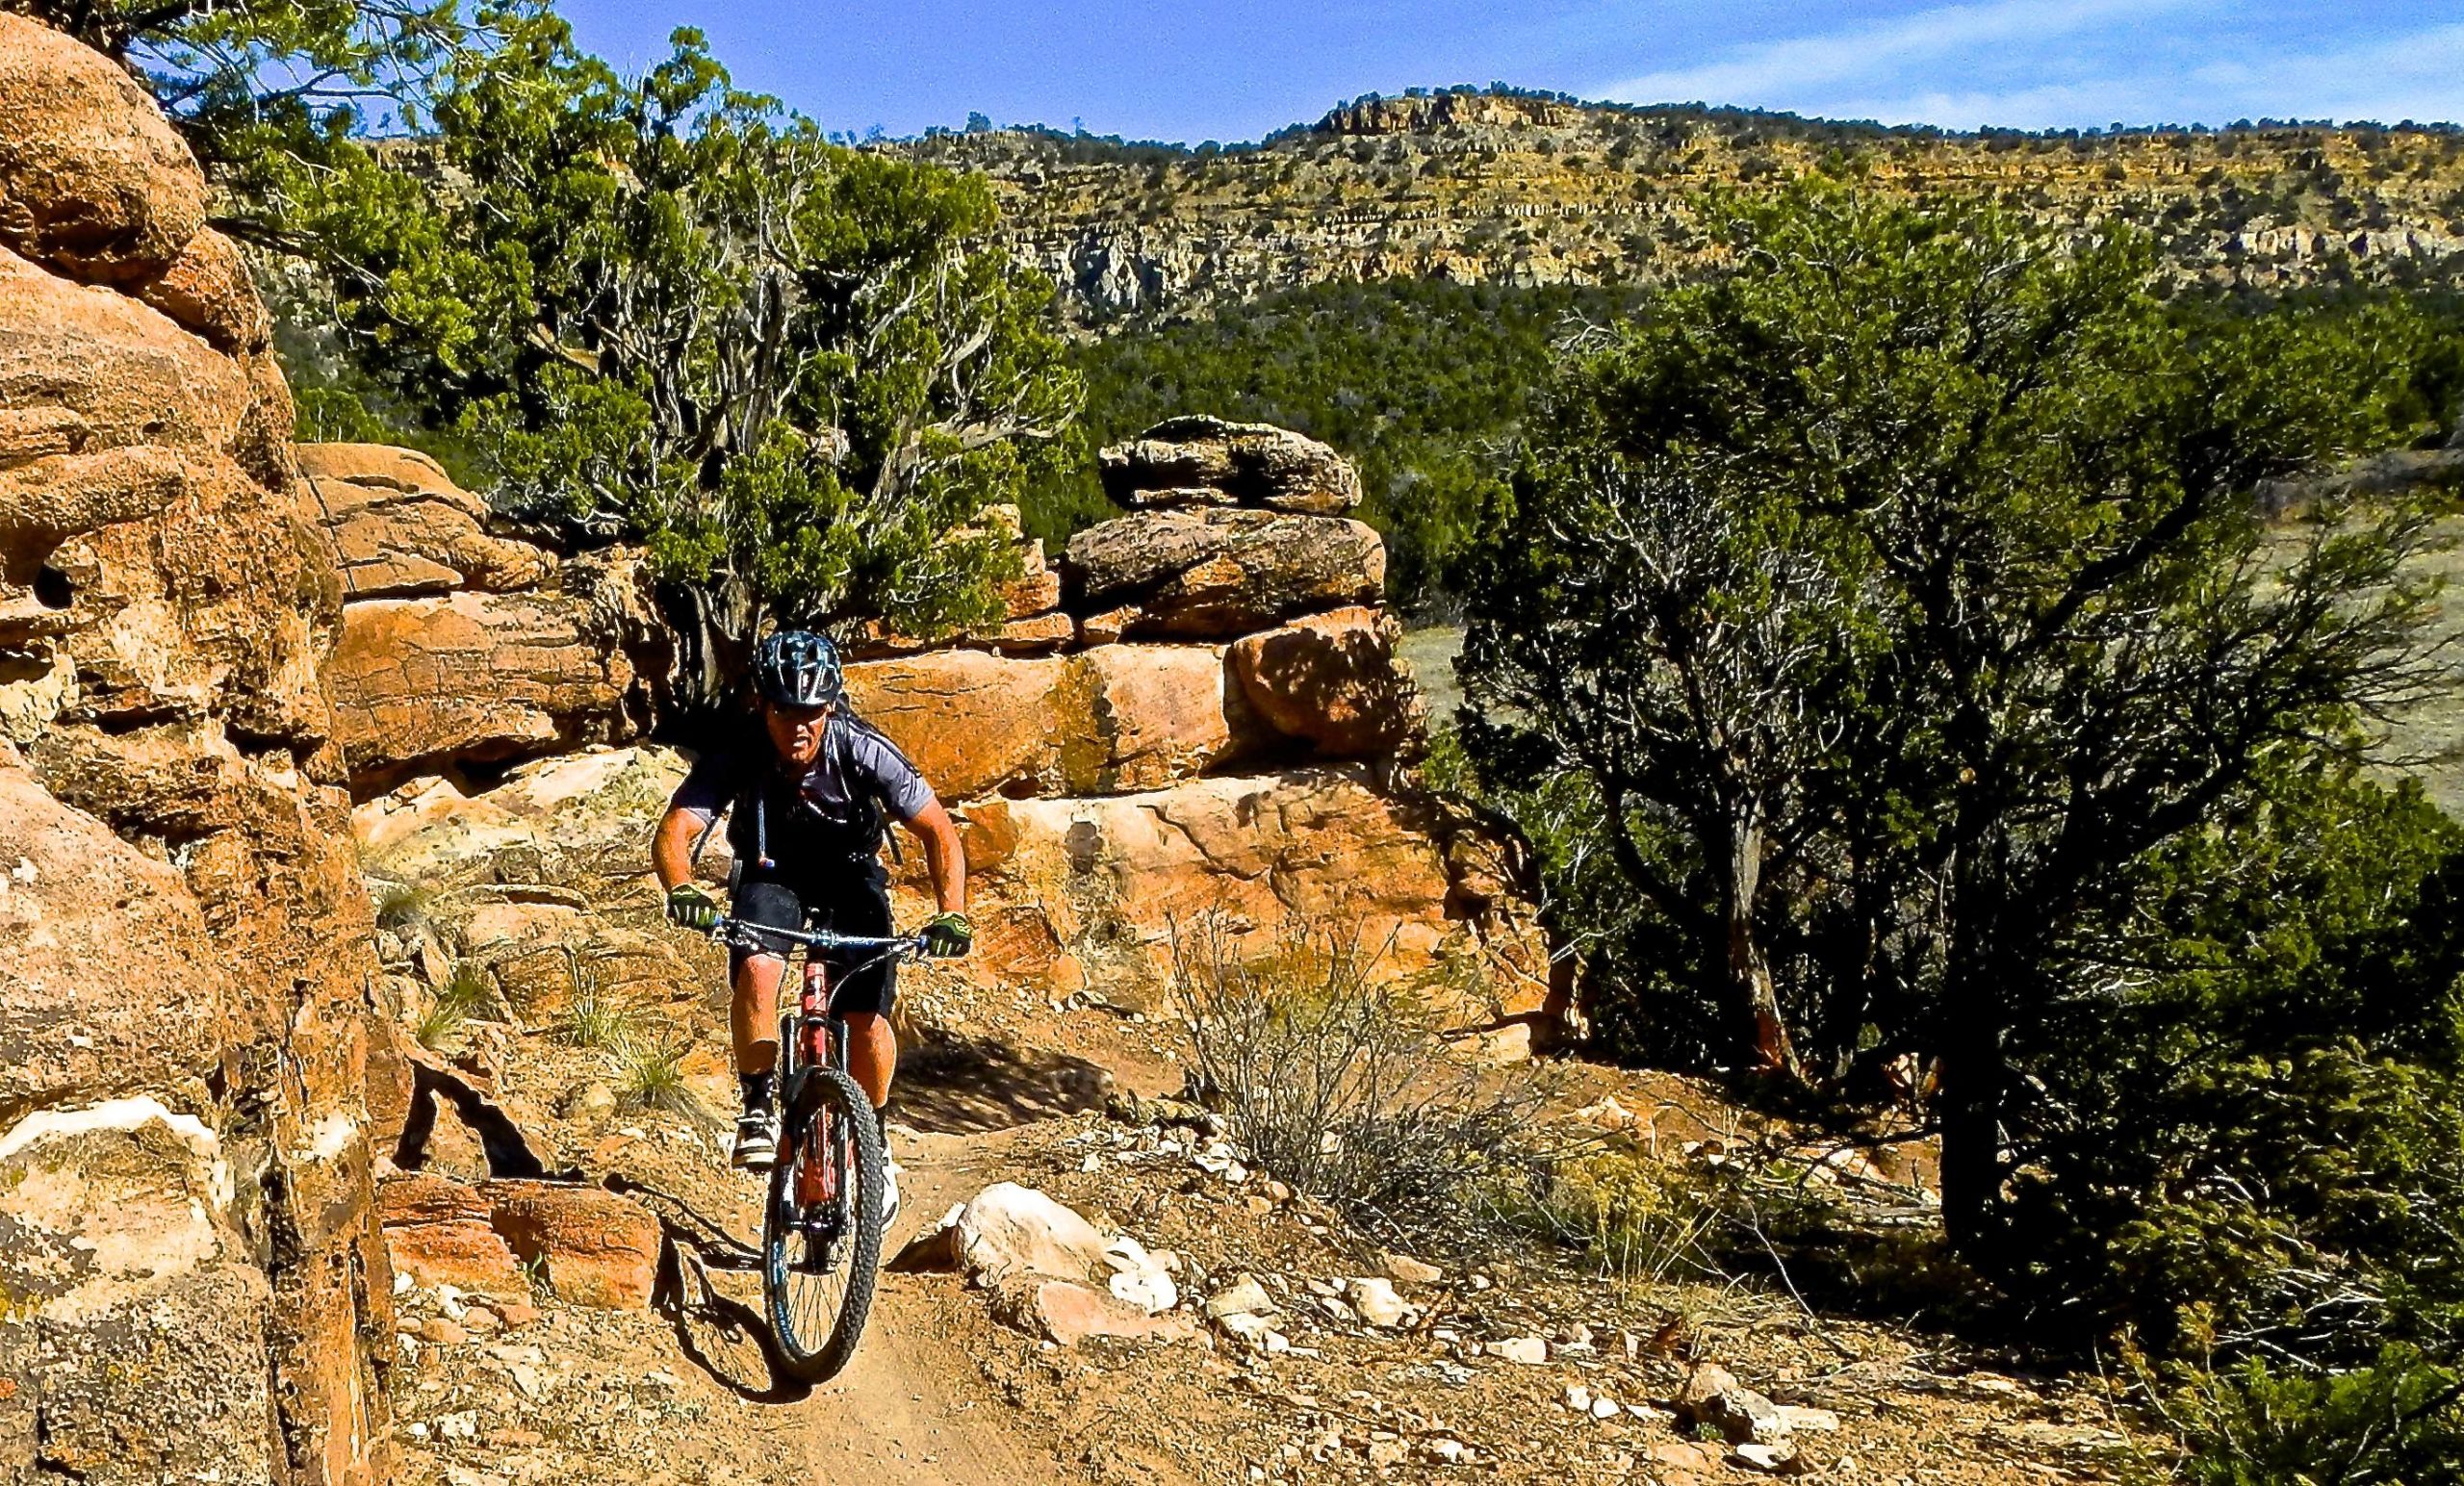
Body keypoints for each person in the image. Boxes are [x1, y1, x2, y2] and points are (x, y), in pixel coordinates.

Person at [650, 630, 971, 1226]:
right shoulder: (741, 750)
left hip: (851, 879)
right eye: (782, 711)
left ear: (831, 708)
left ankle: (873, 1140)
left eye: (812, 713)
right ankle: (758, 1105)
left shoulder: (862, 749)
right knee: (756, 966)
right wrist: (683, 887)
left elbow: (938, 831)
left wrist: (951, 910)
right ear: (762, 706)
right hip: (774, 876)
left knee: (867, 1019)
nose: (798, 726)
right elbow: (675, 831)